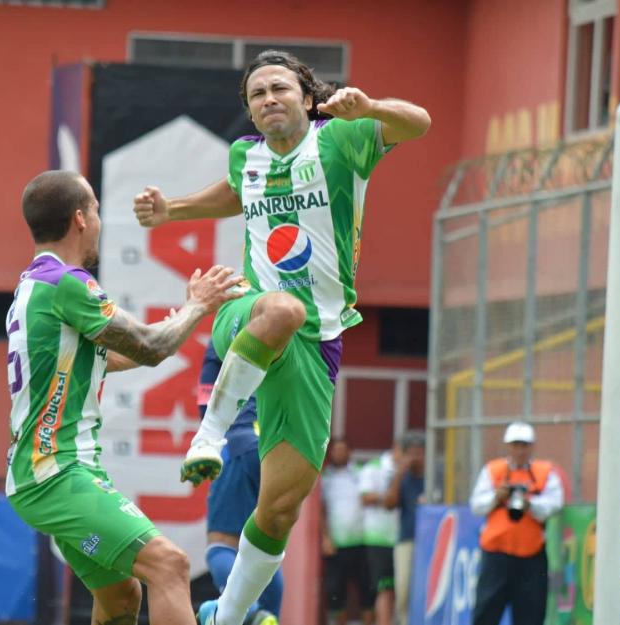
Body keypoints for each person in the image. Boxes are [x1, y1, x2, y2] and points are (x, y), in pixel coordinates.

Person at [134, 49, 430, 625]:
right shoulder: (247, 154)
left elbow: (419, 122)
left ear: (307, 96)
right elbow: (232, 192)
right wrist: (173, 211)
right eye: (257, 95)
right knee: (282, 308)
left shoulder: (342, 138)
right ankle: (208, 437)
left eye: (279, 89)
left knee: (279, 509)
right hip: (249, 310)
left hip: (319, 343)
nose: (268, 100)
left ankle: (228, 615)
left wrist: (370, 107)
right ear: (249, 110)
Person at [4, 170, 243, 625]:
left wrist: (176, 323)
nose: (98, 219)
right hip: (55, 472)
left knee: (120, 596)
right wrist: (197, 306)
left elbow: (109, 357)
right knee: (169, 565)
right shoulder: (68, 283)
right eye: (94, 208)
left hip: (46, 472)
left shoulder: (33, 285)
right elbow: (151, 349)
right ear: (80, 219)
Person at [198, 340, 282, 625]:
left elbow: (207, 392)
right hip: (279, 447)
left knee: (221, 544)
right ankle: (269, 615)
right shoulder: (295, 321)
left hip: (240, 441)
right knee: (265, 544)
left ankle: (253, 612)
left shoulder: (233, 319)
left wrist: (208, 443)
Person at [468, 422, 564, 625]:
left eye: (524, 445)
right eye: (515, 445)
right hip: (496, 555)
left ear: (532, 447)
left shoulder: (545, 472)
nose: (520, 450)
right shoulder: (493, 470)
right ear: (508, 446)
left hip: (531, 556)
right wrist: (497, 496)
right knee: (486, 611)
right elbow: (476, 504)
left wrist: (530, 504)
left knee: (531, 614)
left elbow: (555, 503)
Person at [320, 439, 373, 625]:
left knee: (367, 590)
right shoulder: (325, 478)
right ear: (330, 453)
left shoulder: (361, 474)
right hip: (336, 545)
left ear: (350, 452)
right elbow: (321, 510)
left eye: (343, 450)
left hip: (362, 542)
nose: (340, 454)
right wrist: (325, 538)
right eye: (336, 450)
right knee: (335, 592)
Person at [382, 430, 426, 625]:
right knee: (403, 588)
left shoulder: (438, 473)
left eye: (420, 451)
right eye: (412, 452)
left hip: (432, 541)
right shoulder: (402, 477)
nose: (416, 456)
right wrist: (400, 473)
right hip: (406, 539)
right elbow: (389, 504)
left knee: (426, 589)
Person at [359, 444, 401, 625]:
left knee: (400, 588)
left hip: (401, 537)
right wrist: (388, 497)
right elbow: (364, 497)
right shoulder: (374, 467)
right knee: (385, 588)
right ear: (397, 449)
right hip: (378, 538)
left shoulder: (411, 470)